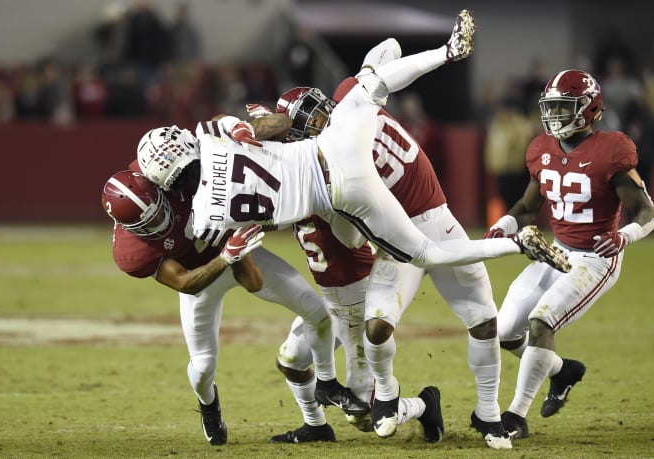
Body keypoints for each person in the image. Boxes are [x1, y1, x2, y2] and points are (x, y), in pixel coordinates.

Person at [135, 10, 570, 279]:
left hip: (339, 194)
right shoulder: (213, 138)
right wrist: (250, 130)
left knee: (424, 254)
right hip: (330, 146)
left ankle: (517, 245)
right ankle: (447, 51)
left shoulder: (204, 220)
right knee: (366, 87)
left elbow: (218, 238)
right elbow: (241, 127)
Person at [266, 39, 511, 448]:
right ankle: (350, 412)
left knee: (483, 319)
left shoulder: (331, 160)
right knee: (350, 342)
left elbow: (351, 231)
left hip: (422, 225)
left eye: (316, 116)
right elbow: (389, 51)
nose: (316, 126)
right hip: (383, 248)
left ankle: (476, 412)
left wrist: (394, 67)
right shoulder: (343, 114)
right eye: (306, 125)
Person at [101, 168, 366, 446]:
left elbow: (214, 149)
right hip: (202, 276)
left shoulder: (167, 173)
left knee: (317, 312)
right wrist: (226, 256)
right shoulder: (131, 252)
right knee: (203, 367)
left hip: (239, 249)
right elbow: (185, 283)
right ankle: (208, 403)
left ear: (159, 189)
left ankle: (320, 408)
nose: (159, 219)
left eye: (157, 209)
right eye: (149, 220)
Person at [483, 69, 654, 439]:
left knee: (542, 321)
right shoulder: (541, 147)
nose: (556, 115)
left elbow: (646, 209)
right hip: (555, 251)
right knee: (505, 331)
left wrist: (624, 236)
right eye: (552, 106)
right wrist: (505, 225)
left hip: (596, 257)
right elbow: (529, 206)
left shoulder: (612, 148)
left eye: (565, 107)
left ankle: (515, 416)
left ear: (590, 109)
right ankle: (562, 371)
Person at [270, 215, 444, 444]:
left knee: (364, 417)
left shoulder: (327, 193)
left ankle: (425, 404)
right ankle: (315, 426)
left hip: (360, 305)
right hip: (331, 304)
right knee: (290, 361)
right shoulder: (295, 197)